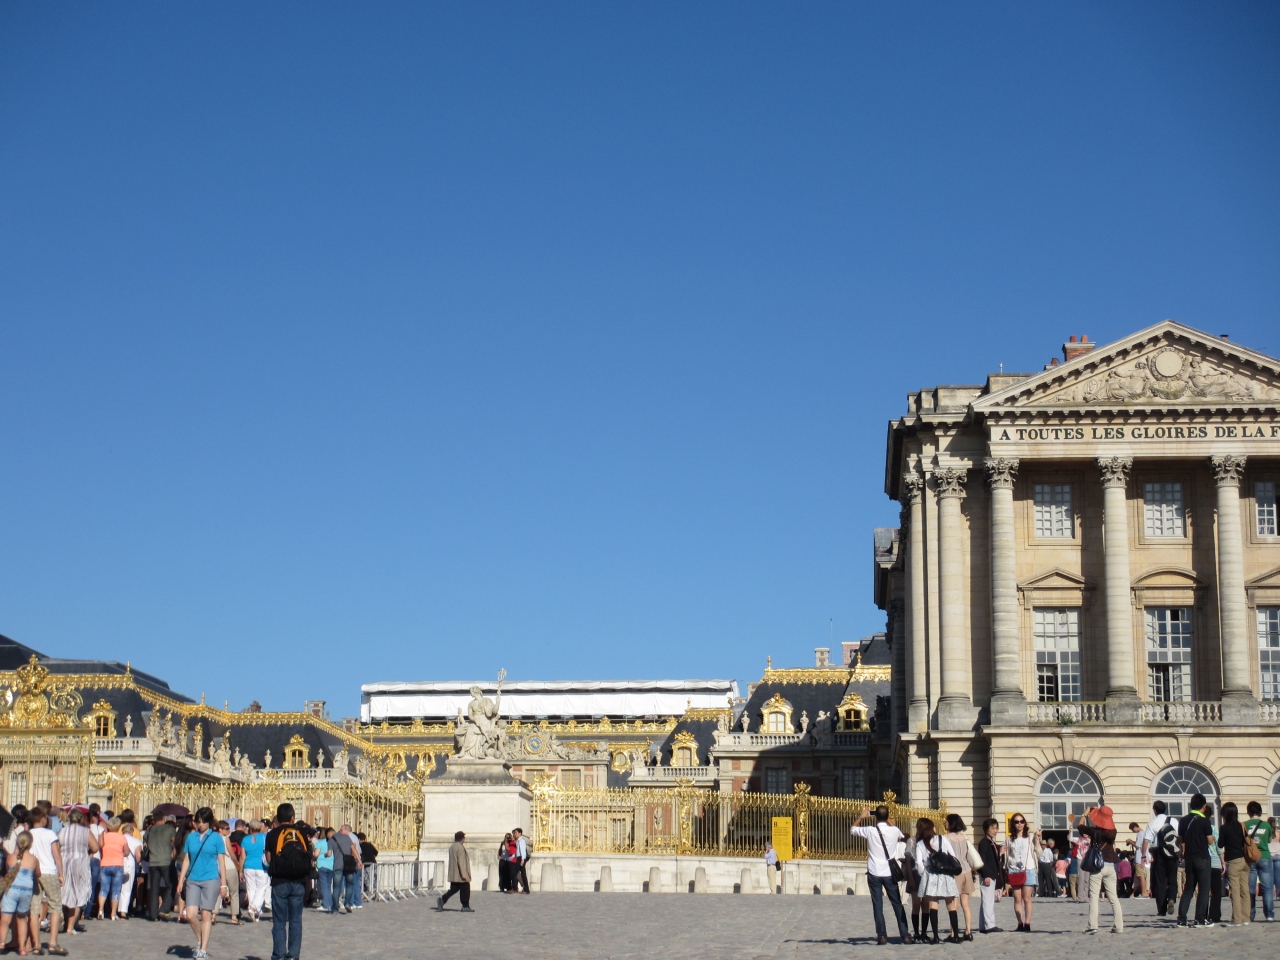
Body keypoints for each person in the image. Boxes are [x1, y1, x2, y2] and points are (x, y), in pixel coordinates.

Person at [850, 804, 913, 944]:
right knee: (897, 903)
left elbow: (853, 830)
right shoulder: (894, 830)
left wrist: (861, 816)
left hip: (874, 871)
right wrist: (889, 819)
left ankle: (882, 935)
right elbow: (901, 835)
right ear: (888, 816)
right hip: (889, 872)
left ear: (875, 817)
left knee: (877, 904)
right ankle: (905, 934)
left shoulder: (870, 830)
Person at [175, 807, 226, 960]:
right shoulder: (191, 837)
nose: (200, 824)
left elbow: (221, 862)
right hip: (193, 879)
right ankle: (200, 939)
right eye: (198, 821)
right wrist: (181, 879)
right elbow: (187, 859)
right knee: (190, 915)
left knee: (205, 914)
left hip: (210, 878)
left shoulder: (216, 838)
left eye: (203, 821)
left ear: (209, 822)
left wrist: (223, 884)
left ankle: (203, 949)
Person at [264, 803, 311, 960]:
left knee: (279, 921)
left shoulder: (272, 834)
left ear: (277, 818)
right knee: (295, 920)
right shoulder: (301, 833)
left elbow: (269, 858)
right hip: (299, 880)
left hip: (280, 881)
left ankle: (279, 955)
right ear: (292, 817)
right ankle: (293, 955)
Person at [914, 818, 960, 944]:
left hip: (931, 874)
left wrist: (924, 874)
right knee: (950, 904)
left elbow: (919, 863)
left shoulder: (920, 844)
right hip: (945, 873)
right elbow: (953, 855)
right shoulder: (942, 839)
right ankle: (955, 935)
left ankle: (935, 936)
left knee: (933, 905)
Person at [1079, 803, 1123, 934]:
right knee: (1113, 898)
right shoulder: (1113, 832)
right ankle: (1119, 926)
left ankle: (1092, 926)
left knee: (1094, 896)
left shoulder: (1095, 832)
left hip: (1098, 866)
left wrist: (1085, 815)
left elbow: (1080, 826)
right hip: (1110, 866)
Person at [27, 809, 65, 956]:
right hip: (49, 871)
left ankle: (36, 944)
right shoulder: (49, 834)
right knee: (55, 906)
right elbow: (57, 855)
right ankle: (53, 942)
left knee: (34, 908)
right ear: (43, 819)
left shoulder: (29, 834)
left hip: (33, 871)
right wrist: (61, 874)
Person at [1176, 792, 1213, 927]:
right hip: (1202, 857)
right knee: (1203, 889)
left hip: (1189, 858)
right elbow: (1210, 841)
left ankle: (1181, 919)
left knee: (1188, 889)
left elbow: (1181, 839)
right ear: (1203, 806)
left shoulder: (1183, 820)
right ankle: (1200, 919)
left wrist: (1184, 850)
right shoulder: (1205, 821)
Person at [0, 830, 39, 956]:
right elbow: (38, 874)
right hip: (26, 891)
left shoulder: (10, 858)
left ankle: (1, 941)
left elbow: (8, 871)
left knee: (5, 919)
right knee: (22, 919)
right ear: (30, 844)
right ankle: (22, 948)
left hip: (12, 890)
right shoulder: (34, 860)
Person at [58, 808, 96, 933]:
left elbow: (56, 847)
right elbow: (95, 847)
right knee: (79, 893)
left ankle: (67, 922)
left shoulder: (62, 831)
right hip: (80, 862)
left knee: (66, 892)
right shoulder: (86, 831)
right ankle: (70, 926)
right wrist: (87, 850)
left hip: (64, 862)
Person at [1142, 800, 1178, 917]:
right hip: (1173, 852)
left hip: (1159, 854)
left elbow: (1146, 841)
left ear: (1155, 810)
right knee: (1172, 878)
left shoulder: (1152, 823)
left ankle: (1162, 909)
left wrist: (1143, 855)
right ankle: (1171, 898)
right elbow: (1180, 837)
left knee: (1160, 881)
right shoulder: (1174, 821)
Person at [1004, 814, 1039, 932]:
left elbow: (1039, 852)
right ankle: (1020, 923)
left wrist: (1037, 840)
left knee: (1027, 898)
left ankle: (1027, 923)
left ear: (1025, 823)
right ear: (1013, 824)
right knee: (1017, 898)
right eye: (1016, 822)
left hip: (1028, 869)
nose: (1019, 824)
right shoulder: (1009, 839)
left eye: (1021, 821)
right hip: (1014, 870)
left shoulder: (1030, 837)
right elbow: (1007, 855)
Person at [943, 813, 975, 940]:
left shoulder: (946, 838)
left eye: (946, 821)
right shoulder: (965, 837)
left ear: (951, 823)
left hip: (955, 872)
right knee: (966, 904)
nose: (945, 823)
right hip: (967, 870)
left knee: (953, 905)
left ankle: (953, 933)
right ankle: (968, 931)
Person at [1218, 801, 1250, 925]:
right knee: (1245, 890)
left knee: (1235, 891)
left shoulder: (1224, 828)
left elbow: (1220, 844)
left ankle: (1237, 919)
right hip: (1244, 860)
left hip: (1233, 861)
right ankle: (1246, 918)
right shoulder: (1241, 826)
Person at [96, 817, 132, 920]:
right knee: (116, 889)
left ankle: (101, 910)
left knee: (104, 888)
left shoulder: (104, 836)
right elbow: (126, 852)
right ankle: (113, 913)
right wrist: (119, 854)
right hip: (117, 864)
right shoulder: (122, 838)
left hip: (105, 864)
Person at [1244, 800, 1275, 922]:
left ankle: (1250, 914)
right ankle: (1269, 914)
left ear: (1248, 812)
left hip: (1250, 858)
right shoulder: (1266, 825)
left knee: (1250, 889)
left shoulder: (1245, 825)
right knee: (1267, 888)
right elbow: (1269, 840)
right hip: (1265, 856)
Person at [145, 814, 177, 921]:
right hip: (166, 861)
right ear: (163, 818)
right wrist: (173, 855)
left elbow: (145, 844)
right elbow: (175, 843)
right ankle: (164, 908)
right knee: (171, 884)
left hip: (153, 861)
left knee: (154, 888)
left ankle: (153, 914)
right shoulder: (169, 829)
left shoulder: (150, 829)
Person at [976, 819, 1002, 933]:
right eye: (992, 828)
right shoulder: (984, 843)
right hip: (988, 874)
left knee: (986, 900)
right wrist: (986, 875)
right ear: (986, 829)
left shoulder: (991, 842)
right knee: (988, 900)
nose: (995, 831)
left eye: (996, 828)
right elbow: (983, 860)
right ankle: (990, 925)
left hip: (992, 874)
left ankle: (983, 925)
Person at [437, 831, 472, 912]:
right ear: (461, 839)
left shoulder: (452, 846)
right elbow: (461, 861)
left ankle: (443, 899)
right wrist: (463, 874)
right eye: (464, 838)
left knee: (454, 889)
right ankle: (465, 906)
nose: (464, 840)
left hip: (454, 873)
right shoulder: (460, 847)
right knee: (465, 888)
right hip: (460, 874)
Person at [330, 825, 362, 912]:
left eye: (341, 830)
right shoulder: (348, 838)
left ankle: (335, 908)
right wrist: (359, 860)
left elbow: (329, 853)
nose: (340, 831)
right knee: (350, 884)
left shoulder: (333, 839)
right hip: (348, 864)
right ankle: (347, 903)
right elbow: (354, 849)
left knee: (337, 887)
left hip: (338, 865)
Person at [216, 821, 243, 924]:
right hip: (229, 867)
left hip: (218, 868)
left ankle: (213, 915)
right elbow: (231, 853)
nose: (229, 830)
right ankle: (234, 917)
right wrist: (238, 865)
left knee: (218, 893)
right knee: (234, 893)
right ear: (220, 829)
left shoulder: (213, 839)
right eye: (226, 829)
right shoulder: (225, 839)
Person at [242, 820, 269, 922]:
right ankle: (253, 908)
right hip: (261, 866)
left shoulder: (245, 839)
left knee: (251, 889)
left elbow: (242, 856)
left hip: (248, 865)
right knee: (261, 889)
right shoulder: (264, 837)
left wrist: (240, 869)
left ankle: (256, 913)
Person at [119, 823, 143, 918]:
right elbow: (138, 857)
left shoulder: (119, 838)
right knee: (127, 888)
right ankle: (123, 911)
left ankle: (114, 910)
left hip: (117, 862)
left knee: (117, 887)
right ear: (132, 832)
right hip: (129, 864)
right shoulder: (136, 841)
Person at [1206, 804, 1223, 923]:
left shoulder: (1197, 829)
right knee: (1216, 891)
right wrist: (1223, 862)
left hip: (1203, 861)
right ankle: (1215, 915)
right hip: (1215, 862)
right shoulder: (1214, 829)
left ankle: (1202, 914)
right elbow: (1219, 847)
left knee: (1204, 890)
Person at [313, 827, 334, 912]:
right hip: (331, 865)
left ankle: (326, 904)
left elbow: (316, 854)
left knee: (323, 886)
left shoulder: (320, 843)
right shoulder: (334, 842)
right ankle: (329, 903)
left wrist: (313, 857)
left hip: (322, 864)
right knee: (328, 885)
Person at [356, 832, 378, 901]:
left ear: (358, 839)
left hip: (366, 865)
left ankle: (366, 893)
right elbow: (376, 852)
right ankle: (374, 893)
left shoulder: (360, 846)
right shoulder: (369, 844)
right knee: (374, 879)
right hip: (373, 863)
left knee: (366, 879)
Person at [512, 827, 530, 894]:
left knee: (515, 873)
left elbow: (522, 850)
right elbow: (517, 851)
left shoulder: (521, 840)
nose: (515, 834)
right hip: (519, 858)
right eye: (514, 833)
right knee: (521, 874)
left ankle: (516, 888)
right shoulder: (518, 841)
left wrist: (522, 859)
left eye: (516, 833)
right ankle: (525, 889)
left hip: (521, 858)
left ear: (520, 833)